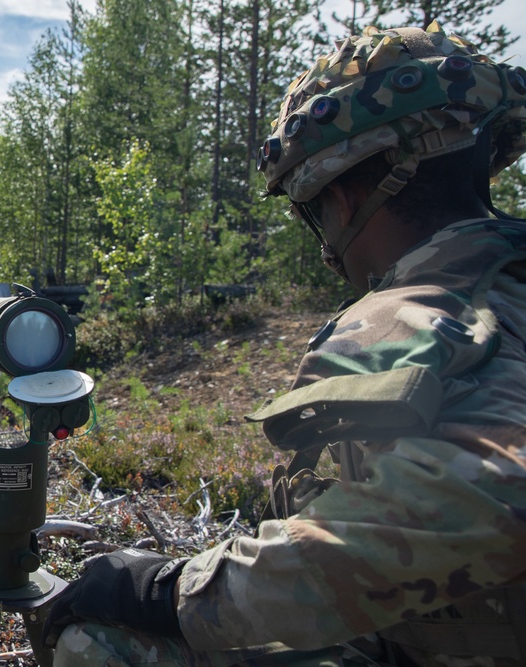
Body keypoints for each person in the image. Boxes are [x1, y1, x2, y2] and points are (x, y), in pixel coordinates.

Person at [43, 23, 526, 667]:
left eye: (313, 211)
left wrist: (174, 592)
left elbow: (479, 501)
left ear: (346, 194)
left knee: (95, 643)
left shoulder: (416, 316)